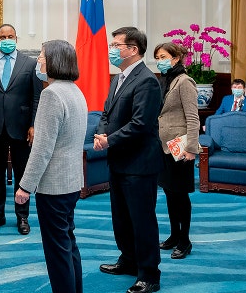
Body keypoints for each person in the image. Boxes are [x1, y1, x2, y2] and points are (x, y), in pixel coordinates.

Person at [15, 39, 88, 293]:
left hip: (54, 186)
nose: (38, 61)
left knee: (57, 252)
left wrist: (25, 185)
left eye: (42, 56)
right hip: (71, 181)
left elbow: (42, 148)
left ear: (55, 61)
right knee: (68, 243)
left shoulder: (51, 94)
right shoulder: (75, 90)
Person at [93, 26, 163, 293]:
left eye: (116, 45)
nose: (112, 49)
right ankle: (128, 259)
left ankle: (149, 275)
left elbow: (141, 124)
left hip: (139, 164)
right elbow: (106, 112)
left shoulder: (146, 80)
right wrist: (101, 132)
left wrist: (109, 139)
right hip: (119, 160)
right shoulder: (118, 78)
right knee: (121, 217)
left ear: (133, 50)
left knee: (142, 219)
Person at [0, 23, 42, 235]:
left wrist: (34, 124)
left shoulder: (30, 64)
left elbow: (36, 97)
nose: (6, 39)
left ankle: (22, 217)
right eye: (2, 37)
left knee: (23, 174)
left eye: (10, 36)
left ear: (16, 38)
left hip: (21, 128)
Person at [153, 42, 199, 260]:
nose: (159, 61)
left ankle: (185, 240)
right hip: (164, 147)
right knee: (170, 193)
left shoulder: (185, 82)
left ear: (176, 58)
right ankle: (173, 234)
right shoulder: (164, 81)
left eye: (163, 57)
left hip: (180, 148)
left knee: (180, 195)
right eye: (157, 57)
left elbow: (193, 117)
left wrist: (191, 148)